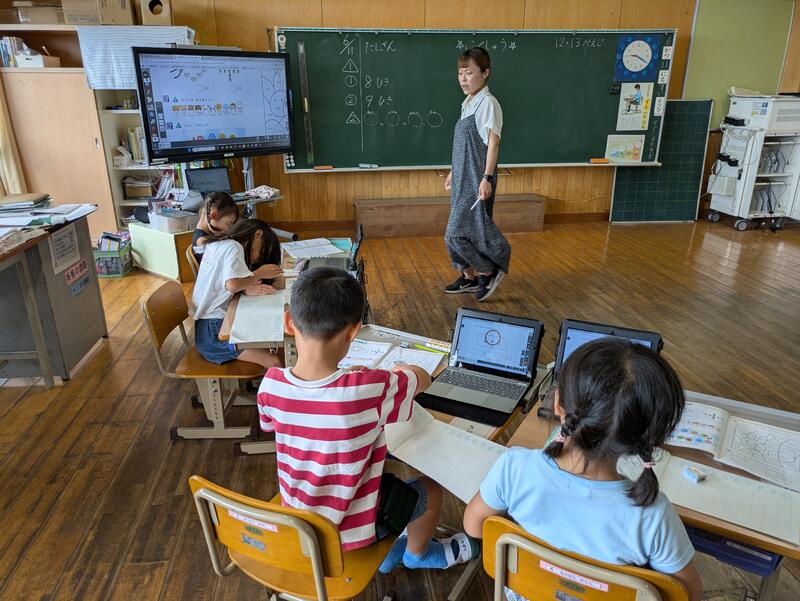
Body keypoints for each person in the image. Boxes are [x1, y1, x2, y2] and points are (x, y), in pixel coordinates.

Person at [257, 267, 479, 571]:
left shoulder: (271, 384)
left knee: (377, 473)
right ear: (353, 332)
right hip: (351, 531)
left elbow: (271, 424)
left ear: (288, 323)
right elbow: (422, 378)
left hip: (299, 519)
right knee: (430, 490)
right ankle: (417, 555)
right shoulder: (368, 388)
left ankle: (385, 552)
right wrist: (396, 371)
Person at [463, 339, 702, 601]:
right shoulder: (653, 514)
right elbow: (686, 594)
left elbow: (474, 526)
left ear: (558, 404)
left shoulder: (515, 466)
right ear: (646, 435)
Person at [444, 47, 511, 302]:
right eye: (460, 73)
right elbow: (464, 145)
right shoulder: (468, 103)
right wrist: (453, 171)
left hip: (476, 178)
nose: (463, 78)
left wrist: (487, 178)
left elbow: (493, 143)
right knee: (458, 233)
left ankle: (488, 270)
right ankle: (469, 277)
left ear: (485, 73)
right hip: (462, 178)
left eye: (469, 73)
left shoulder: (488, 103)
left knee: (457, 233)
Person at [191, 218, 283, 369]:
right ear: (258, 234)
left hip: (207, 327)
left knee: (270, 341)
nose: (259, 258)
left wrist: (246, 286)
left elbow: (222, 282)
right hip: (214, 333)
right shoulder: (234, 247)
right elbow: (232, 285)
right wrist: (259, 273)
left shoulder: (220, 243)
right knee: (275, 361)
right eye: (263, 250)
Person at [192, 191, 239, 262]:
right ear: (213, 215)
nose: (227, 229)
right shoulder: (202, 241)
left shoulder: (205, 234)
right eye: (227, 224)